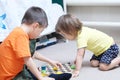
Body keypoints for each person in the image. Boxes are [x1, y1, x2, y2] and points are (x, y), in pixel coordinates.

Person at [0, 6, 72, 80]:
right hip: (10, 77)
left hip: (18, 71)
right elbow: (28, 60)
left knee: (31, 72)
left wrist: (50, 61)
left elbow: (32, 53)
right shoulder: (20, 35)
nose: (39, 35)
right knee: (32, 73)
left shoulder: (19, 32)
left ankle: (51, 77)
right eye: (41, 31)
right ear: (35, 26)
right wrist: (41, 78)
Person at [55, 14, 120, 77]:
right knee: (93, 63)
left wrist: (77, 70)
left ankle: (118, 59)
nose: (64, 37)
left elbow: (80, 55)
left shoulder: (82, 37)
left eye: (64, 34)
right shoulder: (80, 32)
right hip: (100, 51)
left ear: (71, 30)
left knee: (103, 67)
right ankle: (111, 60)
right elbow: (80, 53)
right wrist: (77, 60)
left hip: (110, 48)